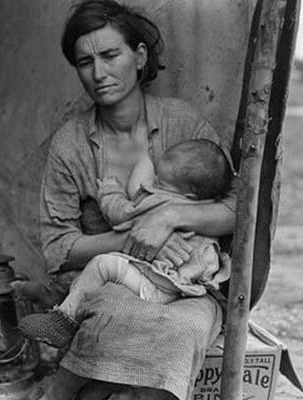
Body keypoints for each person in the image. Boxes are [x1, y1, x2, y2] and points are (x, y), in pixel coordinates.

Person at [25, 0, 237, 398]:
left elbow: (238, 209)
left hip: (188, 284)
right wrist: (131, 239)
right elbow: (58, 247)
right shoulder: (72, 143)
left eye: (110, 55)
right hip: (113, 283)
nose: (99, 73)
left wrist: (169, 216)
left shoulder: (183, 122)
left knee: (185, 329)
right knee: (112, 318)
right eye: (84, 62)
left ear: (139, 57)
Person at [19, 139, 234, 348]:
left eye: (159, 182)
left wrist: (110, 190)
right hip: (184, 286)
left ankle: (63, 321)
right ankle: (59, 302)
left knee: (103, 265)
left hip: (157, 286)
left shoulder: (161, 202)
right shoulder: (205, 207)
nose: (152, 183)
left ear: (187, 194)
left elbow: (121, 213)